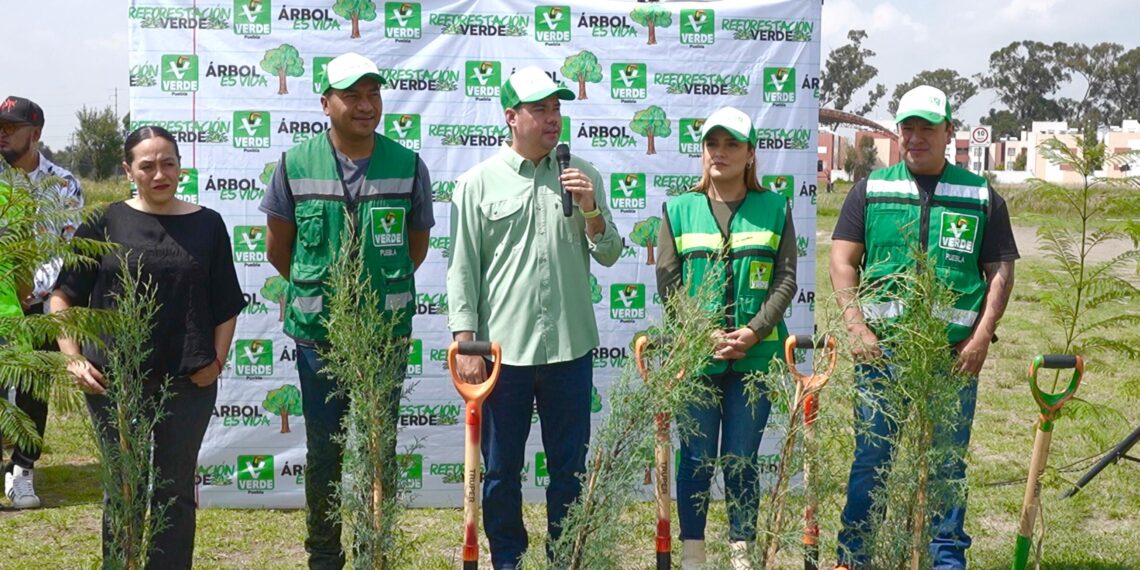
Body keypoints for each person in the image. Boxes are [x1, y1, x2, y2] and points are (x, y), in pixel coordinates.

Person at [830, 85, 1018, 570]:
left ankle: (946, 559)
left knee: (947, 466)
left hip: (953, 358)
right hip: (882, 355)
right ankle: (854, 557)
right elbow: (843, 260)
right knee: (872, 461)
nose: (915, 138)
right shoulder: (871, 190)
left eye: (927, 128)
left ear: (949, 132)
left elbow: (1000, 268)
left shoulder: (980, 196)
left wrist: (980, 339)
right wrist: (857, 328)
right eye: (907, 127)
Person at [259, 51, 434, 570]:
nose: (365, 105)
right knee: (325, 453)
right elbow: (278, 249)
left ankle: (375, 549)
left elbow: (415, 247)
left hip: (383, 335)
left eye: (373, 94)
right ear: (325, 103)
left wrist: (375, 290)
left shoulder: (407, 164)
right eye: (352, 95)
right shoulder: (294, 163)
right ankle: (324, 556)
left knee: (381, 446)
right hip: (318, 337)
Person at [446, 66, 621, 569]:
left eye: (558, 108)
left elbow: (609, 254)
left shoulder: (582, 174)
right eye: (540, 109)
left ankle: (566, 557)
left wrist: (591, 209)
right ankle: (508, 559)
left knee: (569, 470)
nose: (553, 118)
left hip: (570, 350)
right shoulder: (477, 184)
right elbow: (462, 269)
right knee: (500, 471)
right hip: (504, 355)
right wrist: (467, 345)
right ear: (511, 117)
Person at [50, 126, 246, 568]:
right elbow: (62, 296)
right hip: (113, 383)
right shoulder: (103, 222)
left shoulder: (208, 224)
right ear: (129, 171)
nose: (160, 173)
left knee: (175, 491)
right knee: (123, 486)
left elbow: (226, 302)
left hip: (188, 383)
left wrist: (217, 360)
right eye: (148, 165)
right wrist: (73, 358)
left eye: (169, 163)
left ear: (180, 166)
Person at [656, 106, 798, 570]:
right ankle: (693, 555)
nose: (720, 153)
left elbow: (786, 278)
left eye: (731, 144)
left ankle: (742, 556)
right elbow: (668, 283)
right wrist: (703, 333)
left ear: (751, 154)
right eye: (712, 144)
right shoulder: (677, 209)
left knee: (741, 461)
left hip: (754, 360)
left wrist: (754, 332)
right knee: (695, 459)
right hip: (697, 359)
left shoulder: (776, 208)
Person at [0, 95, 84, 509]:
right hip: (0, 303)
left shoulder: (64, 184)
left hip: (41, 304)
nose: (2, 134)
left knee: (34, 388)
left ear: (35, 133)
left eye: (10, 127)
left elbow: (67, 250)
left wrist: (43, 295)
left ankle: (23, 470)